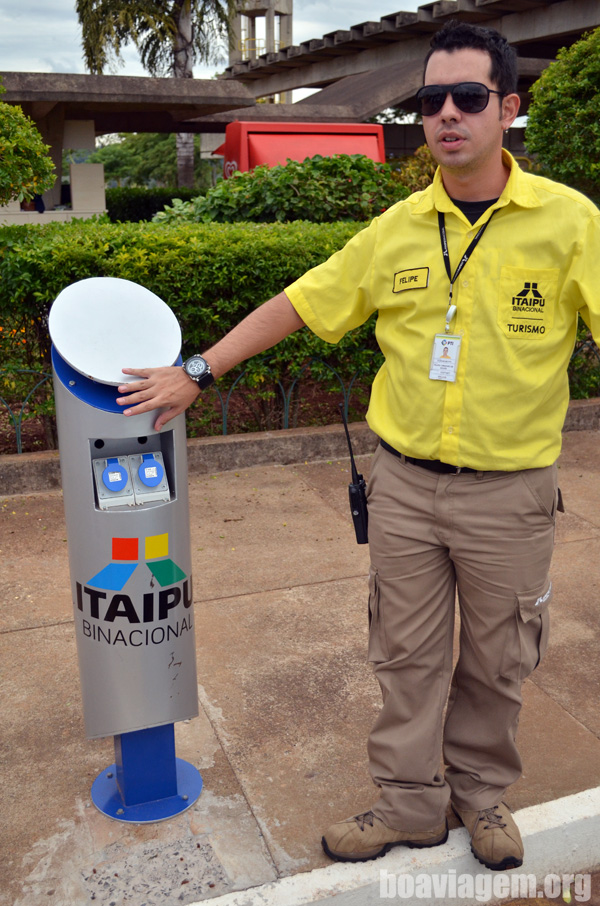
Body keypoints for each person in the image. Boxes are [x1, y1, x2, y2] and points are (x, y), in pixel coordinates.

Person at [116, 20, 600, 872]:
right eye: (431, 100)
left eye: (468, 97)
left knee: (498, 659)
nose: (447, 114)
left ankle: (481, 798)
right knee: (405, 656)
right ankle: (410, 806)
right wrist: (198, 367)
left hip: (510, 492)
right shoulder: (400, 228)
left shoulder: (571, 224)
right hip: (406, 486)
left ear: (507, 108)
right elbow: (303, 301)